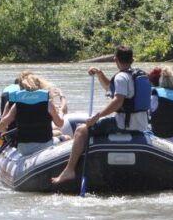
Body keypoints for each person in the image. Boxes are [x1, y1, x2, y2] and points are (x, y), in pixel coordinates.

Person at [51, 45, 151, 184]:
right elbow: (110, 87)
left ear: (115, 59)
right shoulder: (139, 75)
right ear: (132, 59)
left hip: (124, 125)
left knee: (81, 130)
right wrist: (100, 73)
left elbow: (118, 101)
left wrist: (97, 116)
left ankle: (69, 170)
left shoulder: (122, 77)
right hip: (141, 125)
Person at [0, 74, 64, 156]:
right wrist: (61, 111)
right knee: (66, 138)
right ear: (39, 86)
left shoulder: (17, 105)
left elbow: (3, 123)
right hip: (45, 145)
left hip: (24, 149)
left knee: (58, 133)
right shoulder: (48, 103)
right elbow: (60, 124)